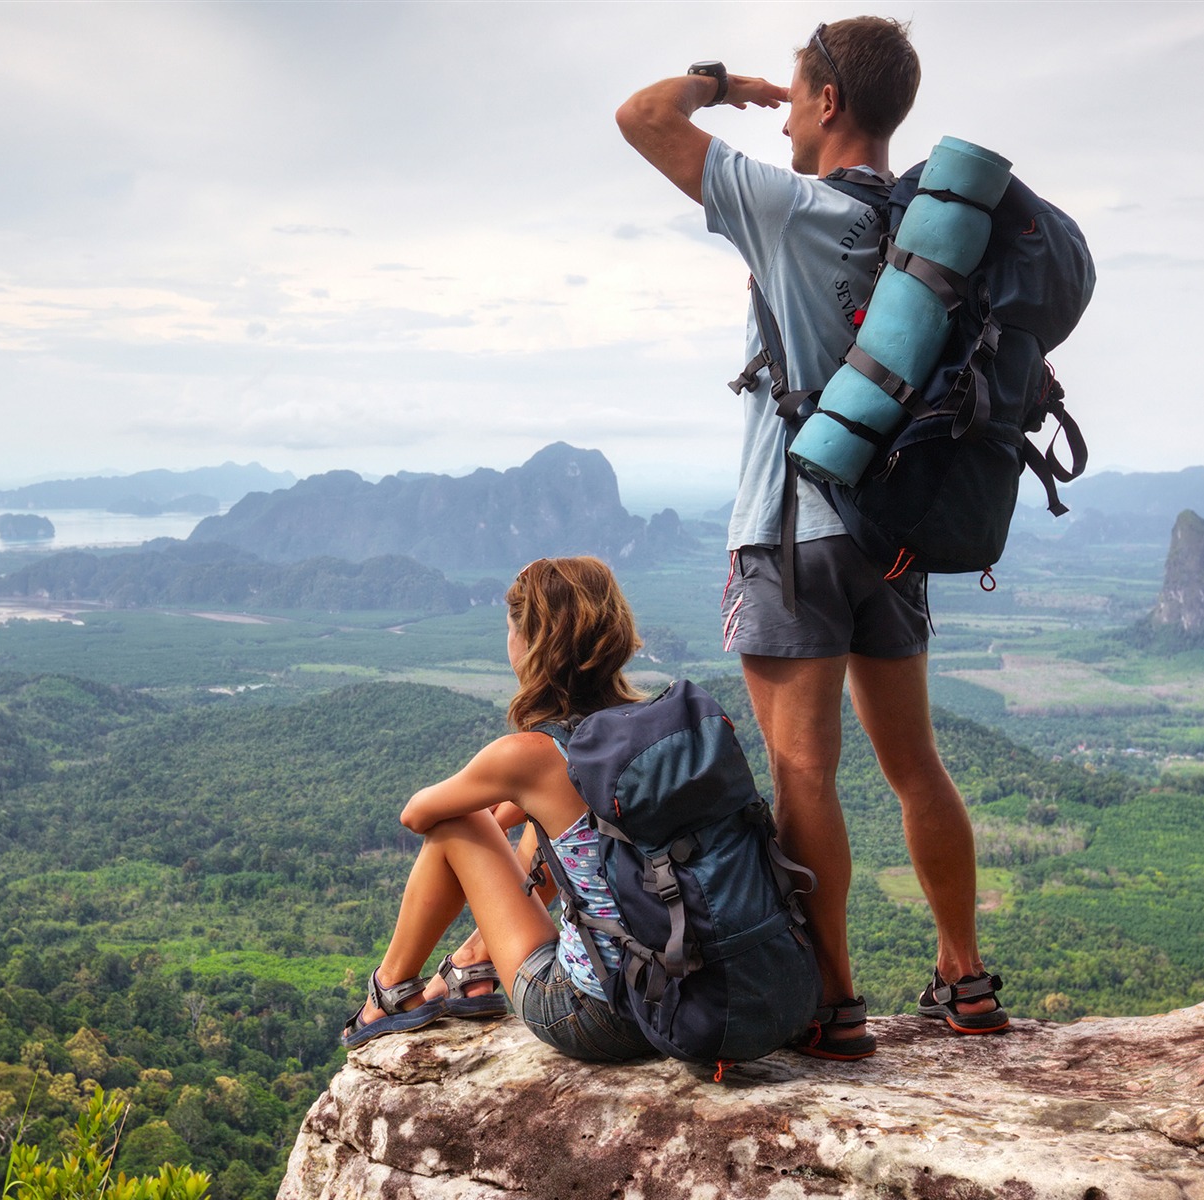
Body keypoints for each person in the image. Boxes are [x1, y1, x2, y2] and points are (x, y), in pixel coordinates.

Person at [614, 17, 1006, 1059]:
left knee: (803, 776)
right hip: (895, 531)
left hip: (791, 531)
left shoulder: (791, 208)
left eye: (794, 98)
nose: (781, 115)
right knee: (915, 764)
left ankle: (832, 1004)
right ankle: (965, 980)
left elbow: (640, 116)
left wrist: (721, 82)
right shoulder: (931, 232)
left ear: (828, 104)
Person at [341, 556, 656, 1062]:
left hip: (600, 1016)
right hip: (688, 999)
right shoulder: (651, 726)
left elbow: (417, 815)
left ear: (530, 643)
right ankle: (473, 963)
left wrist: (489, 826)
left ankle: (389, 991)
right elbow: (552, 808)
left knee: (458, 821)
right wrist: (519, 810)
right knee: (548, 824)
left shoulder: (529, 756)